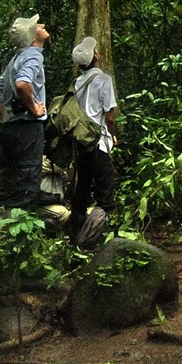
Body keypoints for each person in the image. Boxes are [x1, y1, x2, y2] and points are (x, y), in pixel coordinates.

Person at [0, 13, 51, 210]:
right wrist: (33, 108)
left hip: (12, 127)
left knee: (16, 176)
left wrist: (7, 113)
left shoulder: (15, 59)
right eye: (37, 25)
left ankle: (8, 225)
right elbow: (22, 84)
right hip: (27, 127)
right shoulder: (33, 55)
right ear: (33, 37)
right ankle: (20, 233)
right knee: (28, 177)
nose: (42, 25)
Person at [69, 35, 118, 241]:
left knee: (81, 191)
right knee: (105, 193)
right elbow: (110, 114)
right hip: (99, 142)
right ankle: (93, 239)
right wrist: (113, 134)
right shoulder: (104, 80)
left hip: (80, 144)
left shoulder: (77, 82)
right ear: (96, 56)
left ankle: (74, 235)